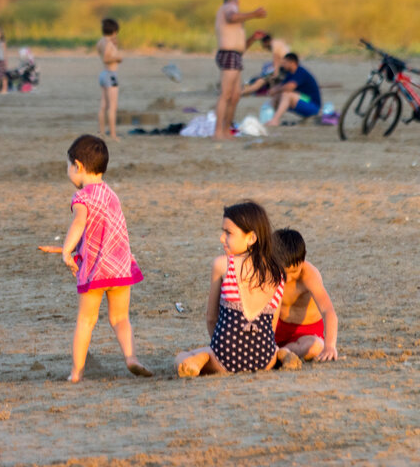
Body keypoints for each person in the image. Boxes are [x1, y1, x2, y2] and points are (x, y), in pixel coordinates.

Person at [40, 135, 150, 382]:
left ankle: (76, 372)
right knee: (121, 318)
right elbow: (102, 232)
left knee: (86, 321)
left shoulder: (83, 197)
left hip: (96, 270)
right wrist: (65, 248)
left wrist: (67, 250)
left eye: (68, 166)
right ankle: (131, 357)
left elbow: (79, 223)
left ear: (78, 166)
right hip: (121, 267)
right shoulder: (111, 195)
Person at [175, 201, 299, 376]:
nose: (221, 238)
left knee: (183, 355)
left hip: (225, 356)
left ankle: (201, 359)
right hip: (265, 358)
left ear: (252, 238)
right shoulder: (278, 272)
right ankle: (281, 354)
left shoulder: (223, 265)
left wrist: (219, 349)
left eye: (228, 233)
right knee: (273, 347)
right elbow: (272, 325)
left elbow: (211, 318)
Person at [273, 228, 339, 362]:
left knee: (315, 346)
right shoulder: (271, 272)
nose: (288, 278)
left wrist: (330, 346)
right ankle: (276, 351)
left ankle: (283, 353)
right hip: (277, 326)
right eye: (284, 273)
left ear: (303, 260)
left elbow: (328, 310)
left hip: (306, 332)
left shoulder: (308, 275)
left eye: (294, 272)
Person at [213, 0, 267, 141]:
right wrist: (254, 14)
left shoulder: (236, 21)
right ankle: (218, 132)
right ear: (236, 2)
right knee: (225, 94)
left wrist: (252, 39)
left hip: (235, 56)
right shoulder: (229, 7)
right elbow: (232, 17)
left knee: (235, 95)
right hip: (228, 54)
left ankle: (225, 130)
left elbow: (241, 49)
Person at [267, 53, 321, 126]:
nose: (283, 65)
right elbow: (282, 85)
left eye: (285, 63)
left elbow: (290, 87)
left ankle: (275, 120)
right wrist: (273, 90)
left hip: (311, 103)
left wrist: (276, 90)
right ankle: (272, 118)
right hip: (303, 98)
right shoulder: (290, 73)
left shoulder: (300, 72)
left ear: (292, 62)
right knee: (277, 95)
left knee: (287, 94)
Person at [241, 31, 291, 97]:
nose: (264, 47)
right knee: (265, 69)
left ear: (266, 42)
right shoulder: (278, 42)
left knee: (260, 81)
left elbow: (277, 59)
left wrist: (275, 73)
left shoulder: (274, 44)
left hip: (282, 68)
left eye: (263, 44)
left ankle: (241, 92)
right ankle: (245, 89)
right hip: (285, 67)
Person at [96, 18, 122, 138]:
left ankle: (101, 132)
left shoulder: (101, 41)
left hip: (103, 74)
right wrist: (117, 58)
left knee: (103, 105)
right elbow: (106, 58)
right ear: (114, 31)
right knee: (112, 106)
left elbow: (101, 53)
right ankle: (113, 134)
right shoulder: (108, 43)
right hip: (111, 74)